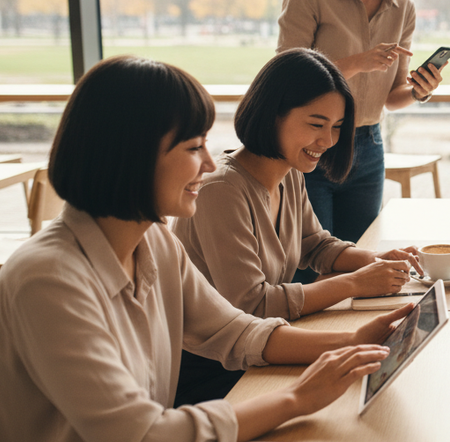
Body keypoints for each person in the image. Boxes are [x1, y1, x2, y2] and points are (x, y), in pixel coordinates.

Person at [0, 56, 412, 442]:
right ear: (130, 152)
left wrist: (352, 343)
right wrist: (295, 399)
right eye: (193, 147)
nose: (209, 164)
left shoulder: (155, 241)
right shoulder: (48, 279)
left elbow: (237, 332)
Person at [171, 48, 424, 405]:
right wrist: (354, 283)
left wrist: (375, 260)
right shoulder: (222, 190)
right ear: (273, 114)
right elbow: (253, 304)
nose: (328, 141)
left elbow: (315, 244)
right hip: (214, 369)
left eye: (337, 127)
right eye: (316, 124)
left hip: (258, 346)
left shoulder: (288, 173)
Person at [277, 0, 446, 244]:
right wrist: (359, 62)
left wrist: (419, 90)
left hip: (368, 146)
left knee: (359, 260)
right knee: (312, 262)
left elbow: (392, 97)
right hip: (313, 145)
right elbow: (284, 78)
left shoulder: (404, 9)